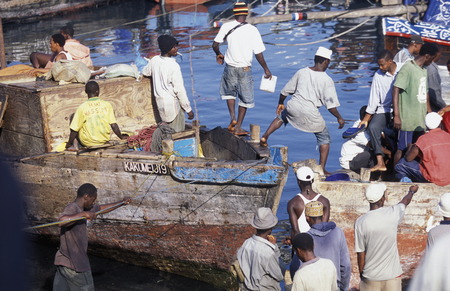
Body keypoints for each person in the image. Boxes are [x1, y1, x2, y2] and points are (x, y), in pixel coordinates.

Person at [260, 47, 345, 175]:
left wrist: (280, 103)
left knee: (282, 117)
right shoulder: (327, 80)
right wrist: (339, 117)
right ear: (326, 61)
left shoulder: (302, 72)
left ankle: (265, 136)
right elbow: (331, 106)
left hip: (293, 105)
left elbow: (284, 91)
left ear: (315, 59)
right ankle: (321, 168)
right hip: (310, 111)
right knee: (324, 137)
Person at [53, 183, 132, 290]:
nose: (94, 202)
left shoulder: (87, 208)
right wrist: (83, 214)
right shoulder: (73, 208)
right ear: (86, 197)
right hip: (76, 265)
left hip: (63, 262)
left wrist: (122, 203)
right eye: (93, 199)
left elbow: (101, 208)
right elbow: (61, 221)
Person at [212, 2, 272, 136]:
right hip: (245, 69)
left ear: (234, 13)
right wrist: (266, 69)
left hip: (230, 67)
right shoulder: (253, 30)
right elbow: (258, 54)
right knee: (245, 99)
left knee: (229, 94)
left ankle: (232, 118)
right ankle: (238, 126)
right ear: (246, 13)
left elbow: (215, 45)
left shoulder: (226, 26)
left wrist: (219, 54)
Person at [355, 183, 419, 291]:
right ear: (382, 199)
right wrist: (411, 191)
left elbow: (361, 253)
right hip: (392, 277)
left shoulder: (360, 222)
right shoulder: (392, 214)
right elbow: (405, 201)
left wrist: (363, 276)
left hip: (370, 277)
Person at [392, 43, 439, 165]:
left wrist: (430, 114)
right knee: (401, 149)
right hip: (407, 119)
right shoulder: (408, 68)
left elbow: (426, 93)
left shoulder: (424, 70)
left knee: (418, 149)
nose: (432, 62)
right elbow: (396, 89)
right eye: (432, 59)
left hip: (420, 120)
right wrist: (397, 115)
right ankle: (395, 177)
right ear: (427, 56)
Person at [291, 201, 350, 290]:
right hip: (334, 286)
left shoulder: (306, 238)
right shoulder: (338, 232)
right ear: (322, 216)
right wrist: (343, 288)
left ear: (307, 218)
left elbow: (295, 267)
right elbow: (346, 265)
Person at [142, 35, 194, 132]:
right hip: (173, 106)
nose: (176, 49)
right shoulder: (173, 66)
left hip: (161, 105)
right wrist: (188, 109)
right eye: (174, 47)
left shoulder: (155, 60)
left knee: (167, 132)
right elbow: (179, 90)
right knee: (176, 133)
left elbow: (145, 72)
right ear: (167, 49)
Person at [359, 50, 399, 172]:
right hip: (385, 109)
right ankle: (380, 162)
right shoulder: (378, 75)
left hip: (401, 109)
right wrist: (366, 119)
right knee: (373, 127)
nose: (380, 67)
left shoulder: (402, 70)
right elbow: (374, 99)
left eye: (383, 65)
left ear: (390, 62)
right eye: (379, 65)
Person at [65, 81, 127, 149]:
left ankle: (74, 146)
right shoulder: (107, 105)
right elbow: (113, 125)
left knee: (73, 117)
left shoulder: (82, 107)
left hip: (87, 142)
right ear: (98, 91)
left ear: (86, 91)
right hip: (103, 140)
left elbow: (74, 130)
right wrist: (121, 137)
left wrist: (69, 143)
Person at [394, 112, 450, 186]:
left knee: (400, 164)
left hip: (434, 178)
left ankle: (408, 185)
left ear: (426, 125)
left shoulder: (423, 139)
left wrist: (411, 147)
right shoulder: (447, 136)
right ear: (440, 123)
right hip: (448, 177)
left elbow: (408, 158)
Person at [236, 207, 284, 291]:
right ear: (271, 229)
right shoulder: (268, 252)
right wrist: (275, 248)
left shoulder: (246, 243)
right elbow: (279, 275)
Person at [288, 166, 330, 237]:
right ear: (312, 180)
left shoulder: (293, 203)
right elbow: (323, 228)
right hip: (320, 241)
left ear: (298, 181)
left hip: (303, 244)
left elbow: (296, 231)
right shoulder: (324, 201)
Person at [340, 106, 375, 173]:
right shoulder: (359, 131)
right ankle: (372, 177)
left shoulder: (364, 122)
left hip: (358, 157)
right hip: (350, 162)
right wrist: (389, 153)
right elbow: (373, 145)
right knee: (372, 154)